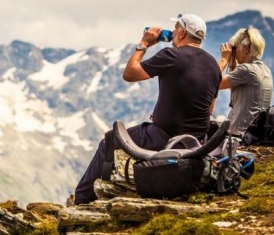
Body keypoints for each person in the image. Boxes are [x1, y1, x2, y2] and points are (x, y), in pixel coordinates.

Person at [73, 14, 221, 205]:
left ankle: (82, 201)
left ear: (182, 32)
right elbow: (208, 110)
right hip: (197, 141)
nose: (173, 32)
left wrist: (144, 43)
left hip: (163, 136)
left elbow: (130, 74)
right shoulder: (213, 66)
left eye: (176, 28)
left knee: (108, 142)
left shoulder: (172, 55)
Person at [217, 27, 273, 137]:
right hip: (253, 133)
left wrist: (224, 60)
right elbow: (233, 85)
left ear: (246, 49)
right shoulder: (265, 69)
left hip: (239, 134)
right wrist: (232, 61)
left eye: (235, 48)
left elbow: (213, 83)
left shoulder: (246, 70)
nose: (234, 52)